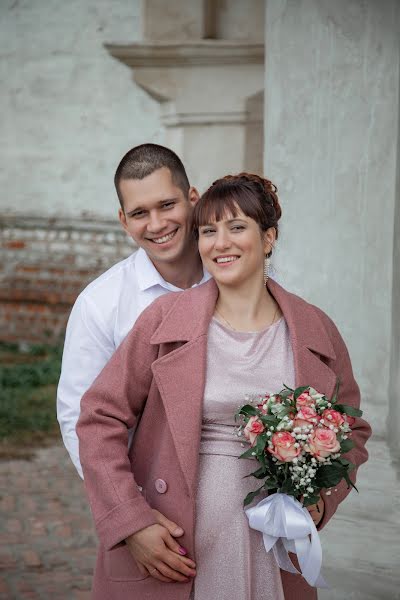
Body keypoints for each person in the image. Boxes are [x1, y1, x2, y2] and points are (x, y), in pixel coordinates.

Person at [76, 173, 371, 600]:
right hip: (180, 536)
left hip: (274, 542)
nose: (220, 243)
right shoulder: (163, 320)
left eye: (237, 228)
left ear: (268, 238)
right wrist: (131, 520)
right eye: (208, 231)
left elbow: (351, 431)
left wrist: (320, 501)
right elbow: (98, 418)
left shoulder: (315, 329)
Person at [57, 143, 210, 479]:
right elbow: (79, 417)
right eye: (140, 213)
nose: (156, 224)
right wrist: (128, 511)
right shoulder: (100, 303)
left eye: (167, 205)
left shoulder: (235, 278)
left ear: (193, 199)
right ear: (124, 221)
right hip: (151, 497)